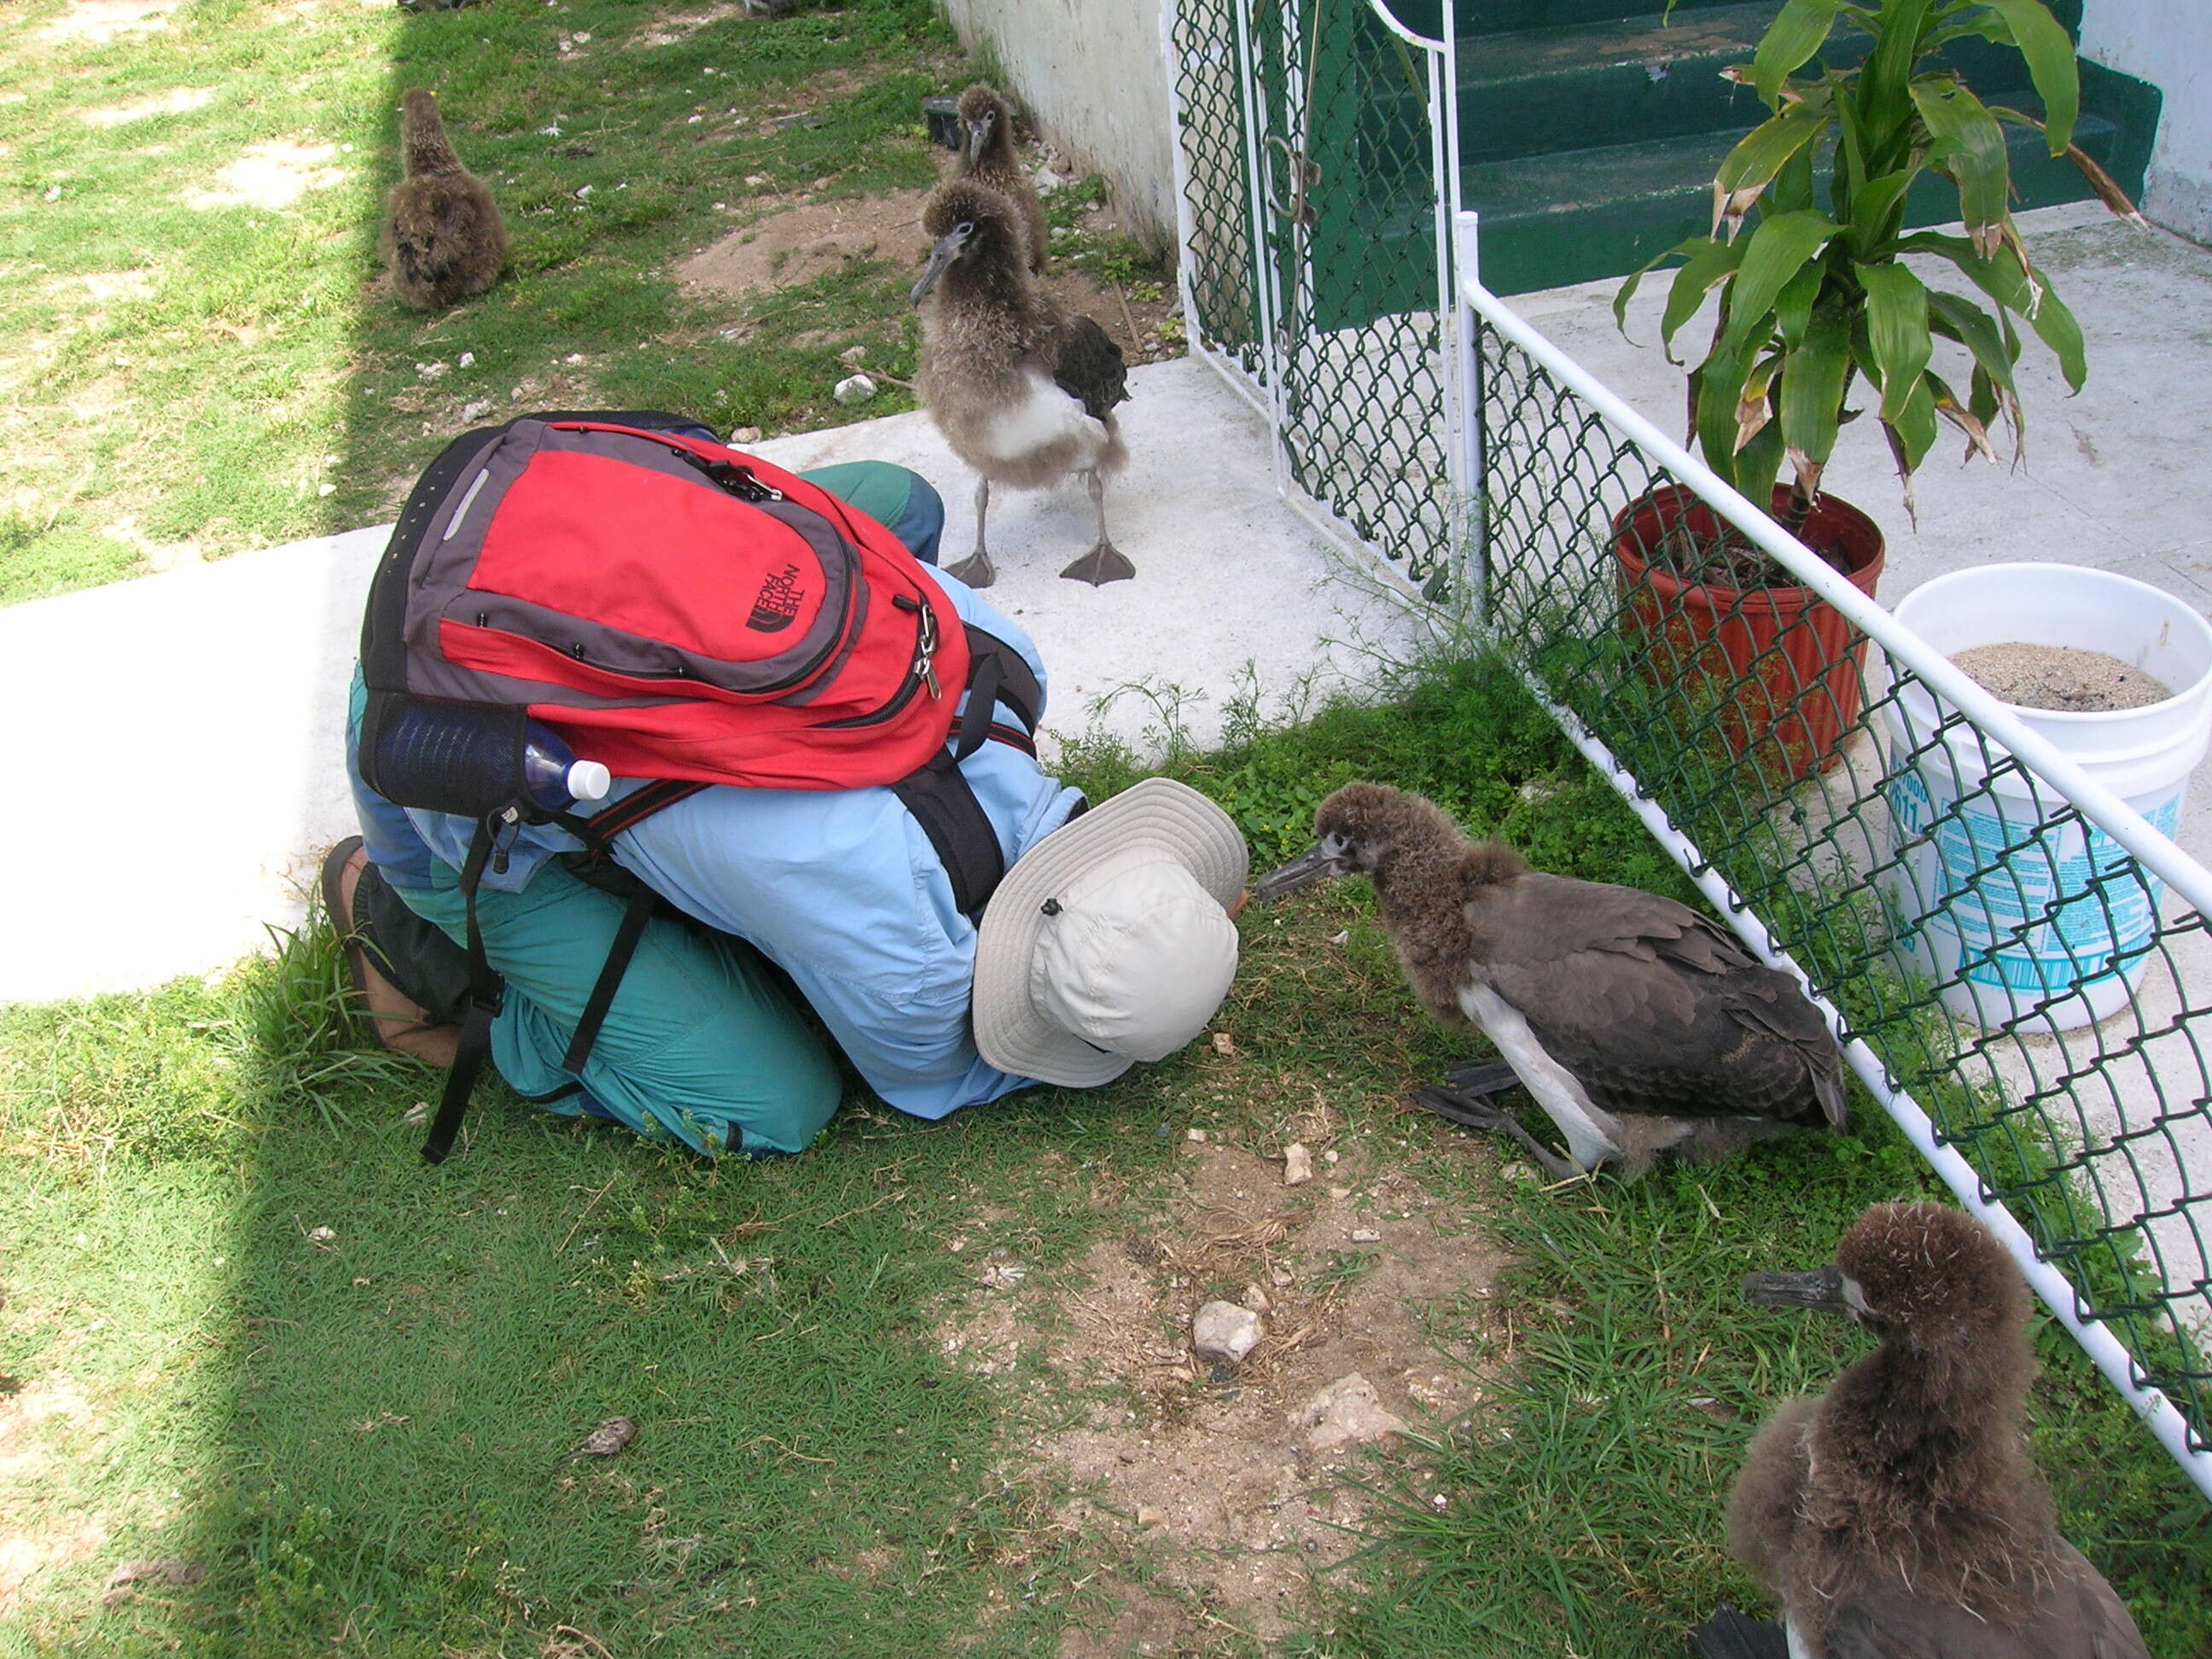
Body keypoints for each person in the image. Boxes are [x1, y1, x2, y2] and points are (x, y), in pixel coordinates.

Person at [329, 458, 1247, 1156]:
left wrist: (1173, 919)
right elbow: (934, 1082)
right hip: (430, 748)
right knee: (776, 1101)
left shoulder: (1008, 675)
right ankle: (403, 928)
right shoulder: (911, 967)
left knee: (898, 503)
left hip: (513, 519)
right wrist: (1120, 1016)